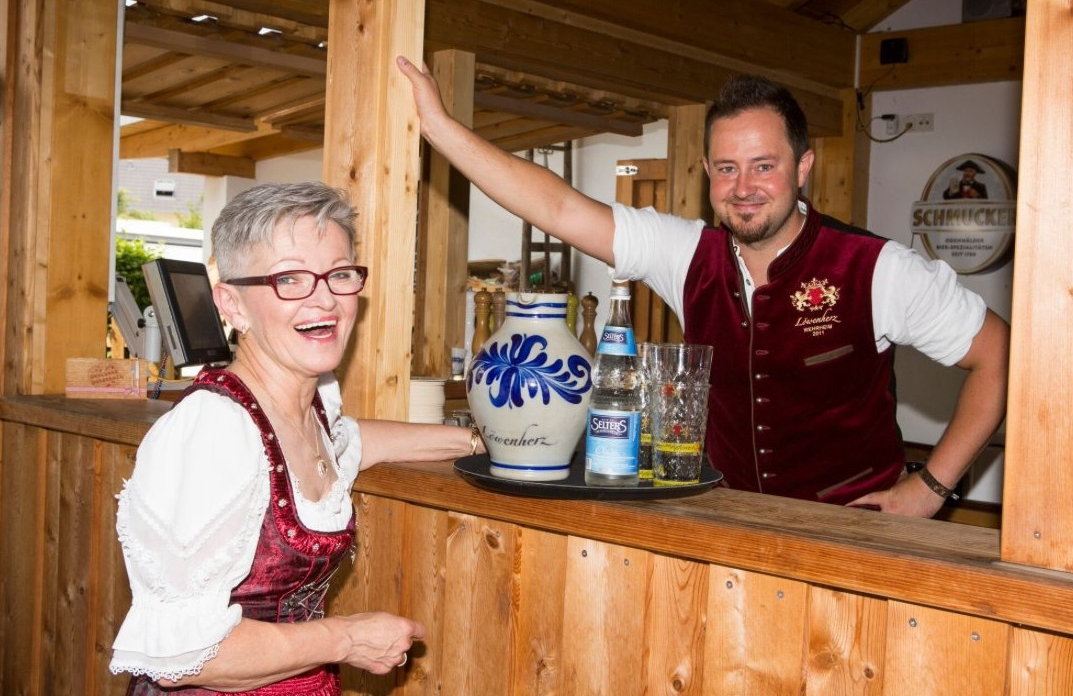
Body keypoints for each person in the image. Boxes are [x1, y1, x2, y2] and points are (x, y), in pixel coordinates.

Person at [396, 57, 1009, 519]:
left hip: (851, 530)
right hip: (728, 521)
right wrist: (440, 129)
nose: (744, 187)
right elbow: (559, 209)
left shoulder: (878, 269)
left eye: (764, 166)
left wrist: (930, 488)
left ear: (802, 167)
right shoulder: (686, 254)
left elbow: (997, 354)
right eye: (726, 168)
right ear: (708, 173)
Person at [109, 182, 484, 696]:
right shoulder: (211, 432)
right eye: (289, 278)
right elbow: (182, 657)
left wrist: (483, 441)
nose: (325, 298)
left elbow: (353, 441)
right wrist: (347, 638)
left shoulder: (312, 405)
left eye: (340, 274)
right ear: (232, 304)